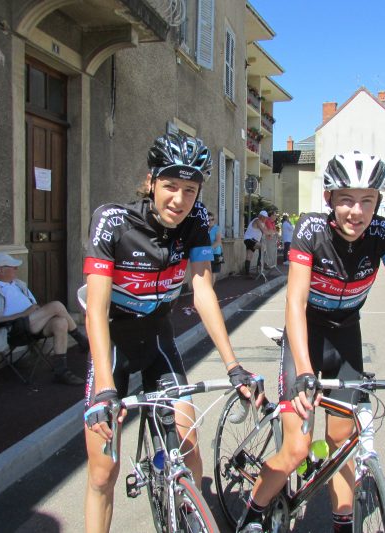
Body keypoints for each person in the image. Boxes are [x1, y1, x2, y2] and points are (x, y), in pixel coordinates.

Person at [238, 151, 385, 533]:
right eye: (345, 199)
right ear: (329, 200)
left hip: (345, 336)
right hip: (305, 337)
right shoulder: (311, 231)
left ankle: (343, 523)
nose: (356, 211)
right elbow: (295, 301)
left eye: (367, 201)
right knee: (296, 449)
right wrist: (306, 373)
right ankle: (253, 515)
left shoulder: (383, 236)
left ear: (378, 202)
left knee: (342, 446)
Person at [82, 133, 259, 532]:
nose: (180, 200)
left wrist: (233, 366)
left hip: (159, 341)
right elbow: (95, 308)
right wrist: (107, 388)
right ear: (151, 182)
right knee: (101, 472)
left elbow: (202, 290)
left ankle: (190, 519)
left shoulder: (196, 222)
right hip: (114, 344)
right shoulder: (113, 222)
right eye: (170, 187)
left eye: (190, 190)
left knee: (189, 444)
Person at [0, 253, 87, 385]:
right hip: (13, 330)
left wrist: (36, 310)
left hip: (32, 325)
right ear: (1, 270)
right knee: (57, 305)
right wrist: (24, 314)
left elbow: (33, 306)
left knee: (61, 322)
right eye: (13, 267)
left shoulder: (19, 285)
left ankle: (61, 371)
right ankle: (81, 340)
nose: (16, 269)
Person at [244, 210, 269, 275]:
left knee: (249, 256)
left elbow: (267, 231)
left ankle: (247, 274)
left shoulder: (262, 223)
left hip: (251, 240)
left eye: (266, 218)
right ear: (261, 216)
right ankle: (260, 266)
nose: (265, 219)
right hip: (250, 239)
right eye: (264, 217)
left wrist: (272, 233)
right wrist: (271, 233)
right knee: (263, 247)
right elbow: (264, 231)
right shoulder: (257, 220)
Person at [208, 211, 223, 285]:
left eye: (212, 219)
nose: (210, 221)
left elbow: (218, 241)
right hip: (206, 254)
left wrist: (209, 249)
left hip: (215, 253)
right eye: (208, 220)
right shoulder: (204, 229)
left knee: (213, 273)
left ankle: (210, 291)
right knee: (207, 273)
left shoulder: (217, 228)